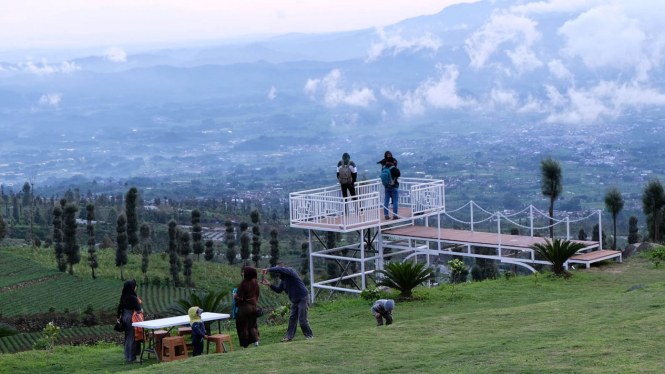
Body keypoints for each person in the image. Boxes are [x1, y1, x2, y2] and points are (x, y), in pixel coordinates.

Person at [261, 263, 313, 342]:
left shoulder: (291, 271)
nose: (277, 272)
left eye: (278, 270)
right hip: (295, 301)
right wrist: (270, 284)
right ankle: (289, 337)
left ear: (282, 269)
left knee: (302, 319)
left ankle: (309, 335)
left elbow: (279, 269)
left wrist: (268, 269)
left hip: (303, 298)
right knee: (292, 318)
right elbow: (279, 290)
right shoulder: (283, 280)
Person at [234, 266, 260, 348]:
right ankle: (256, 343)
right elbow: (257, 294)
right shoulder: (255, 282)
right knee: (253, 325)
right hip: (253, 307)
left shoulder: (243, 284)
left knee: (243, 326)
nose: (242, 273)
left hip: (244, 308)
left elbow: (239, 298)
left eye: (244, 272)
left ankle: (245, 345)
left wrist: (235, 296)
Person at [117, 280, 142, 363]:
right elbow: (139, 310)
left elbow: (119, 307)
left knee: (128, 337)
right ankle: (132, 358)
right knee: (132, 338)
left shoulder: (124, 295)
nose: (136, 287)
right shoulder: (133, 298)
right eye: (135, 286)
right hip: (132, 318)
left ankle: (128, 356)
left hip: (125, 317)